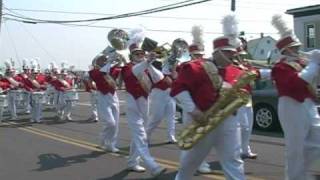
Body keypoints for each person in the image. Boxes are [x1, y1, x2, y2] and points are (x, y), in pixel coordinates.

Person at [172, 35, 246, 180]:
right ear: (217, 52)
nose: (232, 55)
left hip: (228, 120)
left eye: (233, 52)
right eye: (228, 52)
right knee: (191, 162)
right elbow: (178, 89)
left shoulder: (236, 70)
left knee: (233, 160)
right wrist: (193, 110)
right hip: (202, 120)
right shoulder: (195, 67)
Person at [271, 14, 320, 180]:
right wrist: (314, 63)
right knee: (295, 147)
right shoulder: (280, 67)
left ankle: (302, 173)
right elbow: (298, 82)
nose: (299, 51)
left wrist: (314, 64)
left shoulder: (302, 64)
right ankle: (294, 177)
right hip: (291, 105)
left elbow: (312, 78)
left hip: (309, 104)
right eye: (296, 48)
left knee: (317, 143)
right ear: (287, 50)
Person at [121, 43, 166, 177]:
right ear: (131, 56)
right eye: (137, 54)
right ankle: (152, 164)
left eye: (142, 53)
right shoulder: (127, 67)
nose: (140, 56)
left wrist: (150, 63)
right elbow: (134, 72)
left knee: (141, 134)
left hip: (145, 102)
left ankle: (132, 162)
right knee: (140, 134)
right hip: (132, 102)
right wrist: (147, 61)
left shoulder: (146, 67)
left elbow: (160, 78)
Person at [89, 54, 120, 153]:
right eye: (102, 60)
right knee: (110, 122)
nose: (104, 61)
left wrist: (120, 58)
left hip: (114, 96)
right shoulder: (93, 72)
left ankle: (111, 144)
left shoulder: (110, 69)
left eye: (105, 60)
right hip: (103, 97)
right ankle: (103, 137)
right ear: (96, 62)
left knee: (115, 123)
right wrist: (110, 62)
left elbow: (120, 69)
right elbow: (100, 74)